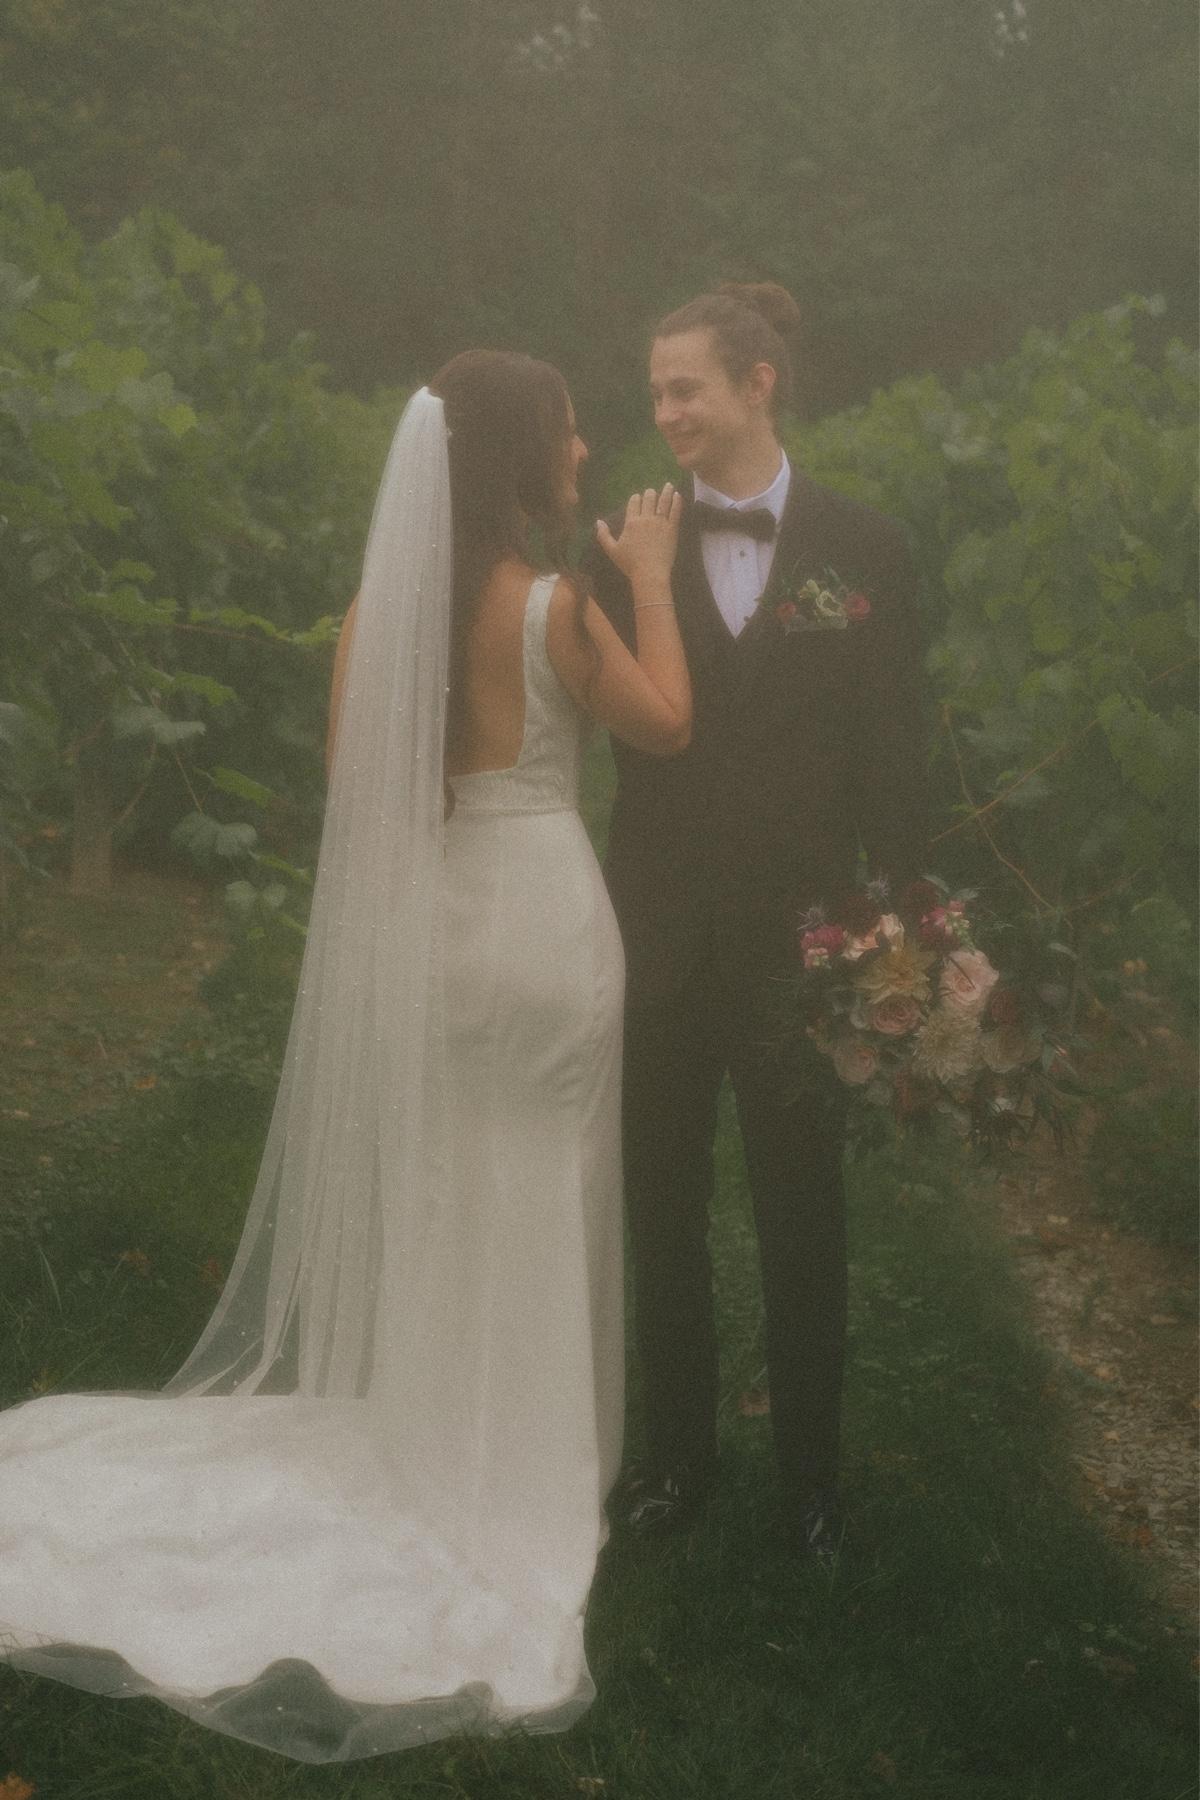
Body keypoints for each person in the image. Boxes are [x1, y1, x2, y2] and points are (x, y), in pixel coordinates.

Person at [0, 353, 689, 1763]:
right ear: (519, 456)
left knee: (455, 1184)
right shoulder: (559, 607)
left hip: (444, 935)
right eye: (567, 434)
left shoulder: (380, 615)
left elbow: (354, 792)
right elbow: (668, 725)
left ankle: (441, 1432)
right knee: (548, 1183)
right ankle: (533, 1464)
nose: (582, 453)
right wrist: (656, 580)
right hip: (546, 927)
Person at [585, 282, 927, 1559]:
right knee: (661, 1207)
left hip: (806, 946)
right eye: (655, 391)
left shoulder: (868, 549)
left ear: (758, 383)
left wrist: (903, 926)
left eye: (686, 387)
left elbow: (896, 755)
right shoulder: (624, 544)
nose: (665, 411)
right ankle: (676, 1463)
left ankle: (811, 1483)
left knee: (803, 1213)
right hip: (658, 936)